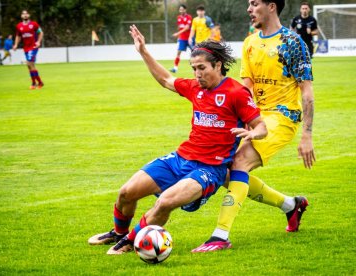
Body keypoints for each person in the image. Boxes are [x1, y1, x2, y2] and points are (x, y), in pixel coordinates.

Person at [88, 24, 268, 255]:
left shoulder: (236, 92)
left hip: (210, 169)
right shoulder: (195, 88)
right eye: (193, 68)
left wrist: (253, 133)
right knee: (126, 192)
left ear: (218, 65)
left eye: (201, 68)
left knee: (165, 202)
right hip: (180, 158)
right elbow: (165, 79)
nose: (197, 74)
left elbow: (261, 126)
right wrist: (143, 50)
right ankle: (119, 233)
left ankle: (131, 241)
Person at [192, 0, 315, 253]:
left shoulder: (293, 42)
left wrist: (307, 136)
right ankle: (291, 205)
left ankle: (220, 235)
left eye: (254, 3)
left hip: (282, 118)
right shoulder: (250, 42)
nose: (249, 9)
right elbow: (244, 89)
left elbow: (308, 93)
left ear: (271, 6)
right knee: (226, 170)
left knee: (239, 164)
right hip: (255, 117)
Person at [13, 10, 44, 90]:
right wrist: (16, 44)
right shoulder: (19, 26)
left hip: (33, 47)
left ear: (29, 15)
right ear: (21, 16)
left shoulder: (34, 24)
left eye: (26, 13)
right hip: (26, 48)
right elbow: (18, 36)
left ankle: (38, 82)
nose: (25, 15)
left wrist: (38, 42)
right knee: (30, 66)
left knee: (29, 63)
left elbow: (41, 33)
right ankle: (35, 83)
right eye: (23, 13)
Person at [169, 4, 193, 73]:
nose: (181, 11)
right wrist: (179, 36)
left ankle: (195, 68)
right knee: (178, 53)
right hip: (182, 38)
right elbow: (180, 27)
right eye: (180, 10)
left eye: (182, 9)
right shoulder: (179, 17)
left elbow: (187, 27)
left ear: (185, 10)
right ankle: (175, 68)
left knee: (194, 53)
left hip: (189, 38)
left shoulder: (189, 17)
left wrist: (177, 33)